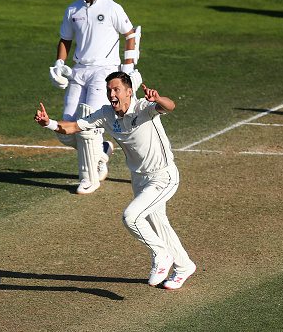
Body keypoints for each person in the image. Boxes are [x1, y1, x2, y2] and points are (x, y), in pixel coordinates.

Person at [34, 72, 196, 289]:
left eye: (116, 89)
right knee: (159, 224)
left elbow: (170, 106)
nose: (112, 94)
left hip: (162, 176)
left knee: (131, 217)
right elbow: (73, 127)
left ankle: (161, 255)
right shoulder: (105, 114)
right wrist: (49, 123)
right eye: (109, 90)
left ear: (129, 92)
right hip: (139, 179)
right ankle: (184, 266)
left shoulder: (143, 108)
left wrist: (158, 99)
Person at [48, 0, 143, 195]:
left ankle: (89, 179)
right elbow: (65, 39)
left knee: (87, 125)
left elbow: (130, 34)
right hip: (79, 71)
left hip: (104, 71)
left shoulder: (112, 8)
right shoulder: (72, 10)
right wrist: (60, 63)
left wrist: (128, 67)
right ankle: (101, 152)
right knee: (65, 131)